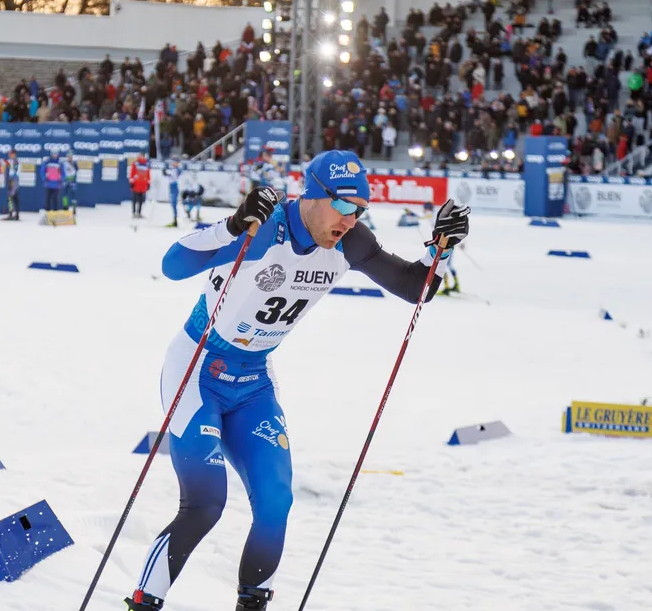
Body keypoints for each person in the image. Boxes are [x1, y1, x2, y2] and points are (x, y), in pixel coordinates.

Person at [124, 150, 470, 611]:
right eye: (344, 206)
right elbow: (172, 265)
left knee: (274, 502)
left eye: (360, 209)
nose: (350, 220)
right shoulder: (267, 228)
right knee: (207, 502)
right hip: (198, 370)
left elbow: (414, 287)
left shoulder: (350, 242)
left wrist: (440, 249)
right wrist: (231, 225)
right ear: (312, 195)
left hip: (253, 383)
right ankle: (145, 603)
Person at [166, 157, 182, 227]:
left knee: (174, 204)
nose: (172, 163)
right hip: (172, 186)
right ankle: (174, 220)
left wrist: (168, 174)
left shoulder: (178, 169)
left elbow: (174, 177)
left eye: (174, 162)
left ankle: (175, 221)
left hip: (175, 187)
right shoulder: (174, 169)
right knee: (173, 204)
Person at [5, 149, 20, 221]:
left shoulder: (16, 161)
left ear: (14, 154)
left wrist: (8, 165)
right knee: (11, 197)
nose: (9, 155)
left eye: (11, 154)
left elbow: (15, 171)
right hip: (11, 179)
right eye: (9, 154)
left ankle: (15, 214)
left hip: (14, 180)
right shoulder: (11, 161)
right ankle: (12, 213)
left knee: (12, 197)